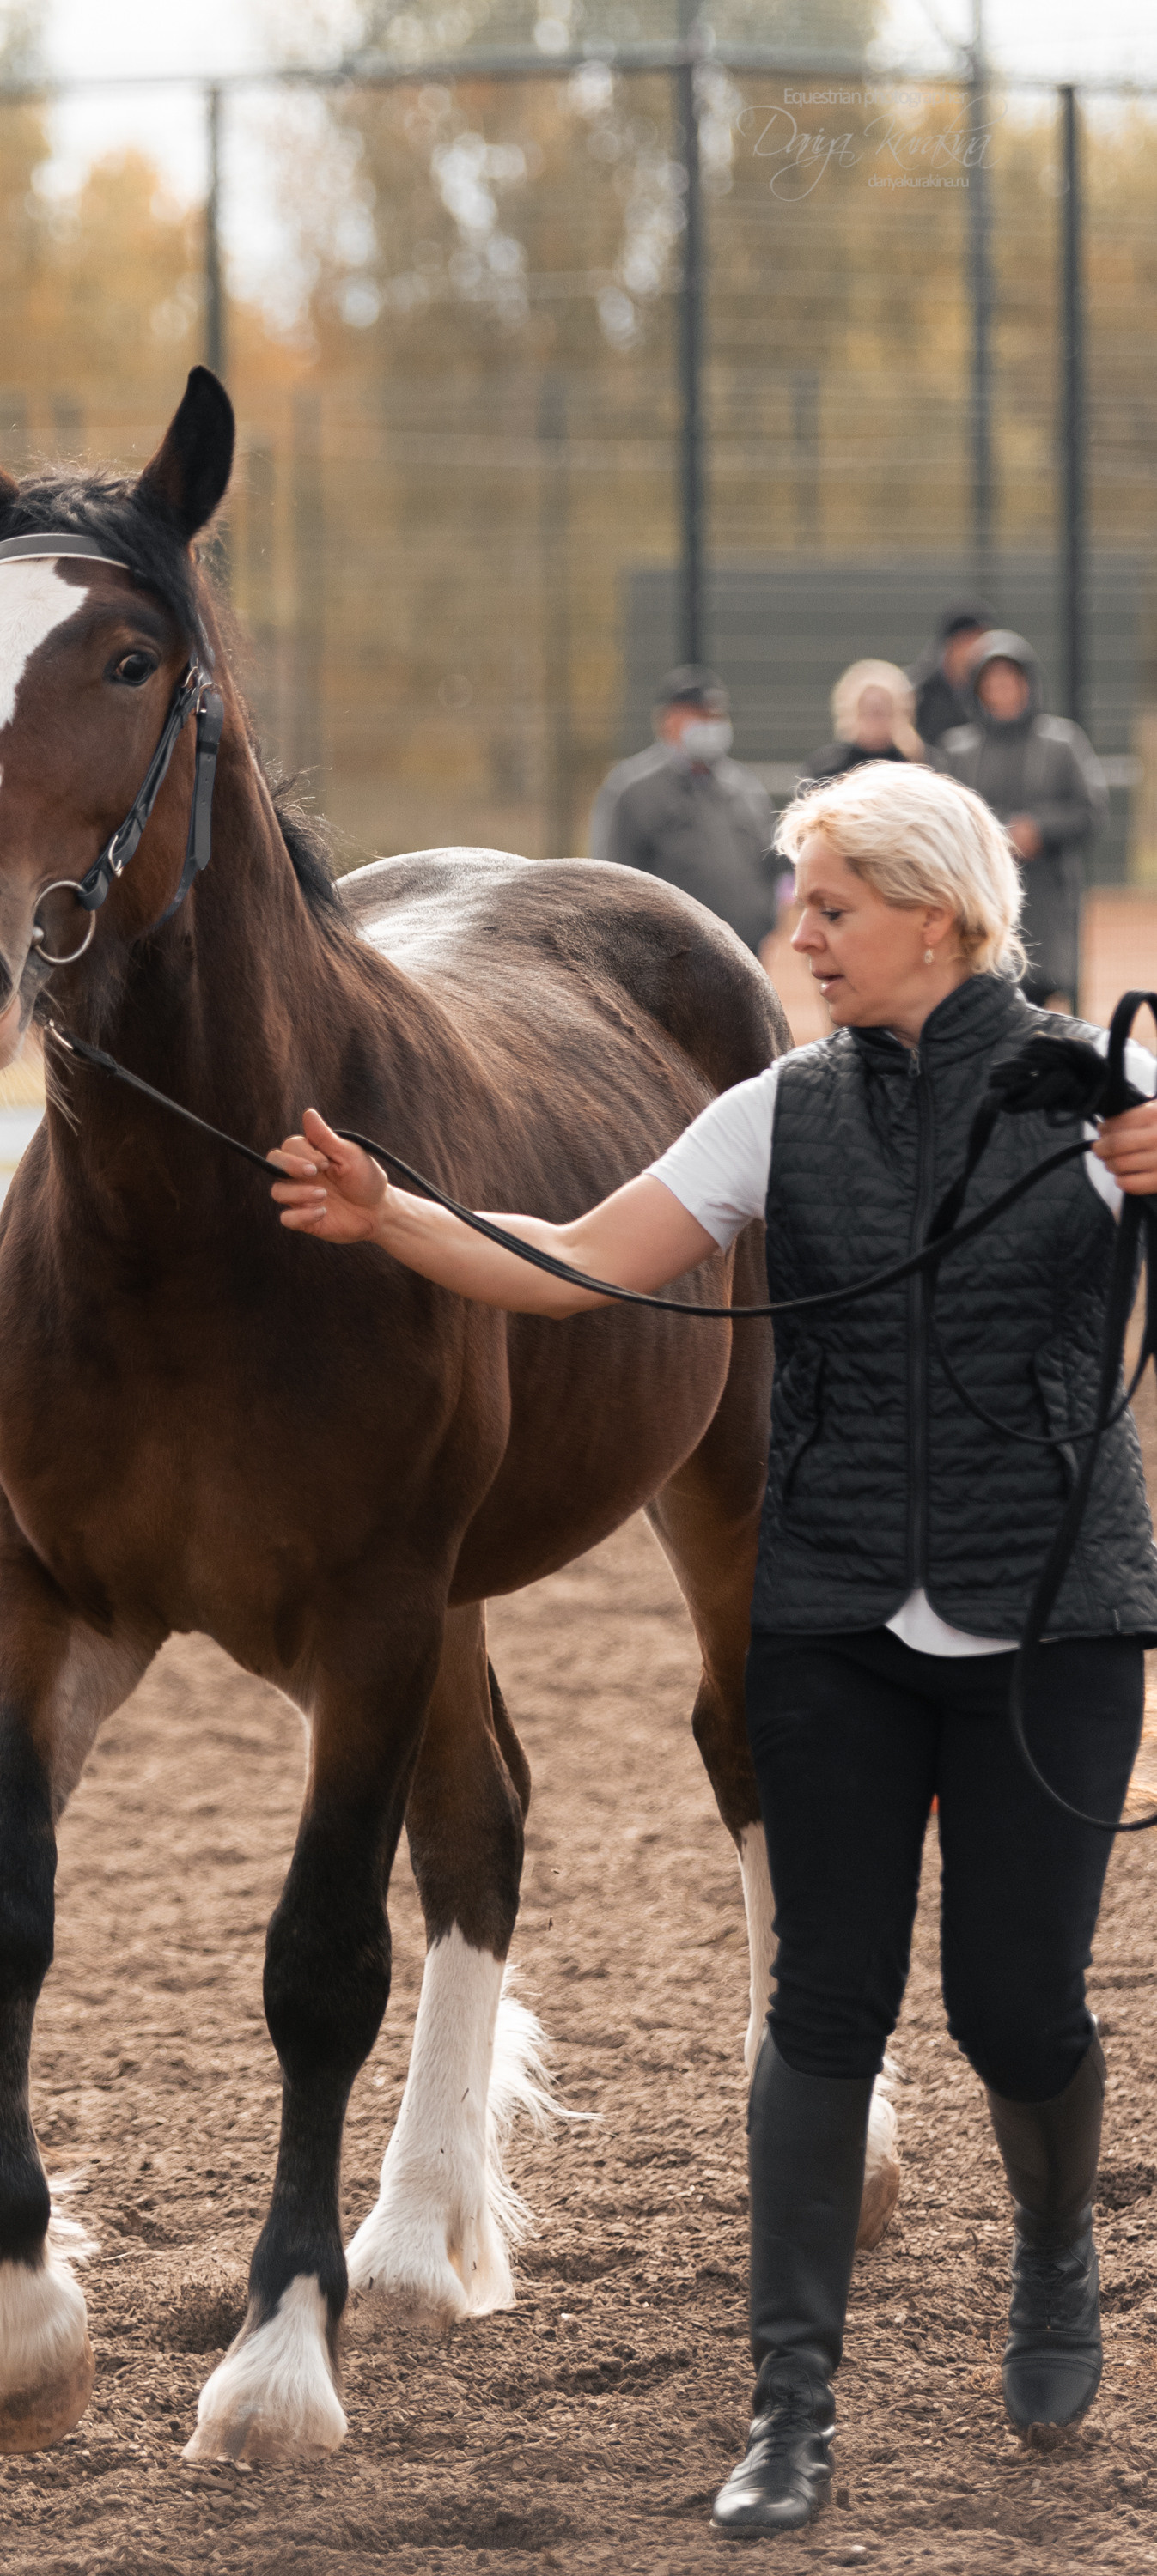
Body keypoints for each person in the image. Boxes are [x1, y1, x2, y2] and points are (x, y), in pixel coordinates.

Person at [266, 760, 1157, 2534]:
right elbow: (583, 1261)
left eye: (828, 908)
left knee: (1009, 2009)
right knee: (817, 2015)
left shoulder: (1094, 1095)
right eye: (795, 904)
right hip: (827, 1620)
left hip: (1045, 1621)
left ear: (934, 916)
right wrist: (396, 1218)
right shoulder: (774, 1113)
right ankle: (786, 2407)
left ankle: (1050, 2257)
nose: (797, 939)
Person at [938, 631, 1106, 1015]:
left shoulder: (1062, 743)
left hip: (1047, 893)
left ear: (1027, 684)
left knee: (1042, 997)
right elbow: (946, 818)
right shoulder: (957, 751)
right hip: (981, 896)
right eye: (992, 682)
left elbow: (1091, 810)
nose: (1002, 690)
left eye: (1010, 680)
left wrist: (1040, 830)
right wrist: (997, 837)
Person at [589, 666, 778, 956]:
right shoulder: (633, 790)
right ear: (668, 721)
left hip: (746, 953)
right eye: (700, 716)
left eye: (717, 717)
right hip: (674, 961)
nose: (712, 725)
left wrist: (765, 918)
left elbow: (768, 861)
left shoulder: (742, 786)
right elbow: (612, 878)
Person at [803, 659, 929, 779]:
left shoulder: (916, 765)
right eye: (867, 711)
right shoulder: (828, 767)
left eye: (881, 712)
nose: (874, 721)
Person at [908, 597, 994, 749]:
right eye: (968, 640)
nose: (976, 649)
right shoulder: (918, 694)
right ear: (950, 644)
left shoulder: (992, 688)